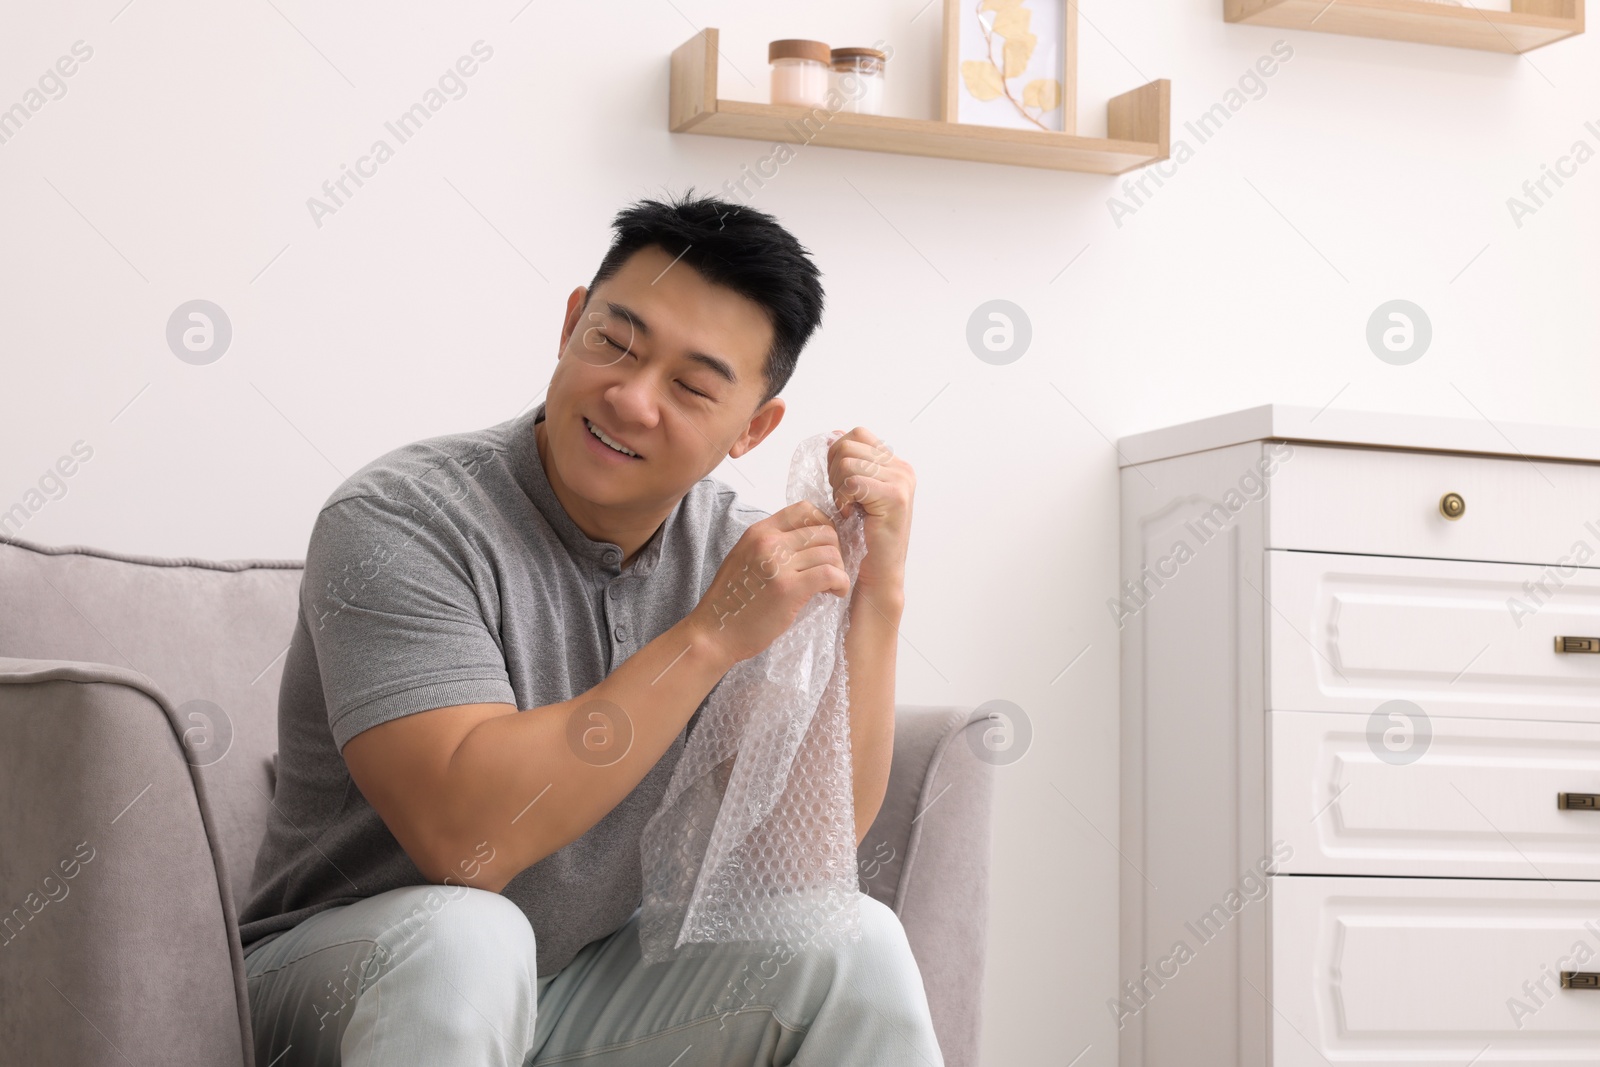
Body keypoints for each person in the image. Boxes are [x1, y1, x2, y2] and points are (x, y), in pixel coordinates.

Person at [236, 190, 939, 1065]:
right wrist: (710, 635)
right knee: (468, 936)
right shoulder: (400, 518)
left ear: (751, 429)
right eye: (614, 342)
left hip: (569, 986)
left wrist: (877, 594)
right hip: (334, 981)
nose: (631, 398)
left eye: (690, 386)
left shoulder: (731, 551)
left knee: (852, 939)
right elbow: (467, 841)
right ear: (570, 323)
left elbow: (803, 852)